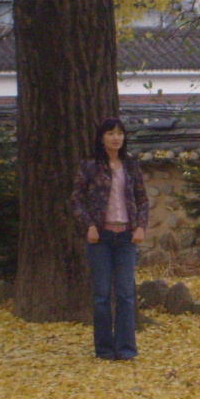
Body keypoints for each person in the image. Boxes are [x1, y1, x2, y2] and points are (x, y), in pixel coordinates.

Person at [71, 118, 149, 360]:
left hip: (126, 236)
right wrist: (89, 226)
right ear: (101, 137)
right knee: (102, 295)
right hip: (100, 238)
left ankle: (126, 349)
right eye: (110, 133)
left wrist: (141, 227)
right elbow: (76, 199)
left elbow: (142, 199)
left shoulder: (130, 165)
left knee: (126, 294)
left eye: (120, 133)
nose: (116, 138)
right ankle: (104, 349)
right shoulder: (90, 166)